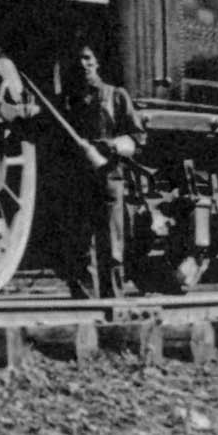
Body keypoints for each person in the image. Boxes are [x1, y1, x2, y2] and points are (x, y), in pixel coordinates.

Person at [65, 43, 146, 298]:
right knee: (79, 244)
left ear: (97, 63)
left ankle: (113, 300)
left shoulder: (116, 95)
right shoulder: (68, 102)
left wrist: (113, 146)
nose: (83, 64)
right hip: (78, 177)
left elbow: (138, 137)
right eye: (78, 59)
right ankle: (84, 303)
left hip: (109, 175)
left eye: (88, 58)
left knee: (111, 244)